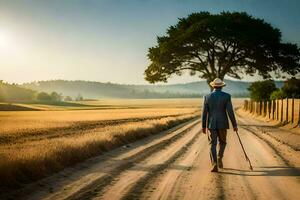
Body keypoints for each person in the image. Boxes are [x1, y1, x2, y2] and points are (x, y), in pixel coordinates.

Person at [202, 78, 238, 172]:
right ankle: (219, 157)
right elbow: (230, 111)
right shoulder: (227, 96)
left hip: (211, 124)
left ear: (213, 86)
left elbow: (204, 113)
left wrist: (203, 126)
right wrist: (234, 125)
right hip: (223, 124)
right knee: (223, 142)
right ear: (222, 86)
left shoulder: (207, 97)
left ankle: (214, 164)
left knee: (212, 144)